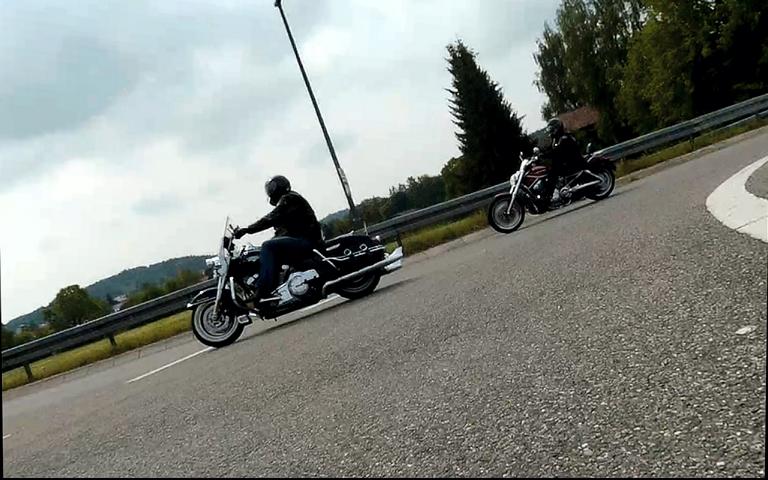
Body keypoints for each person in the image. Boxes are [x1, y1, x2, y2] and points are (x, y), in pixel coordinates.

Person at [233, 175, 323, 305]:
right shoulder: (288, 204)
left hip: (307, 240)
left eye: (272, 187)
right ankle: (273, 292)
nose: (270, 191)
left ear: (279, 186)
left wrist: (247, 229)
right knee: (267, 249)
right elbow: (281, 232)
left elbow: (270, 218)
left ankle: (263, 290)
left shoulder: (289, 198)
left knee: (268, 246)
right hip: (302, 239)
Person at [538, 117, 584, 207]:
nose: (551, 132)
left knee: (553, 172)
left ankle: (551, 196)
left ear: (557, 128)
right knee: (549, 170)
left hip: (573, 163)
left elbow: (557, 151)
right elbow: (550, 149)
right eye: (550, 130)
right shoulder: (556, 139)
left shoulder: (564, 138)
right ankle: (549, 193)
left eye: (552, 129)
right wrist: (540, 152)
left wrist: (544, 155)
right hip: (566, 163)